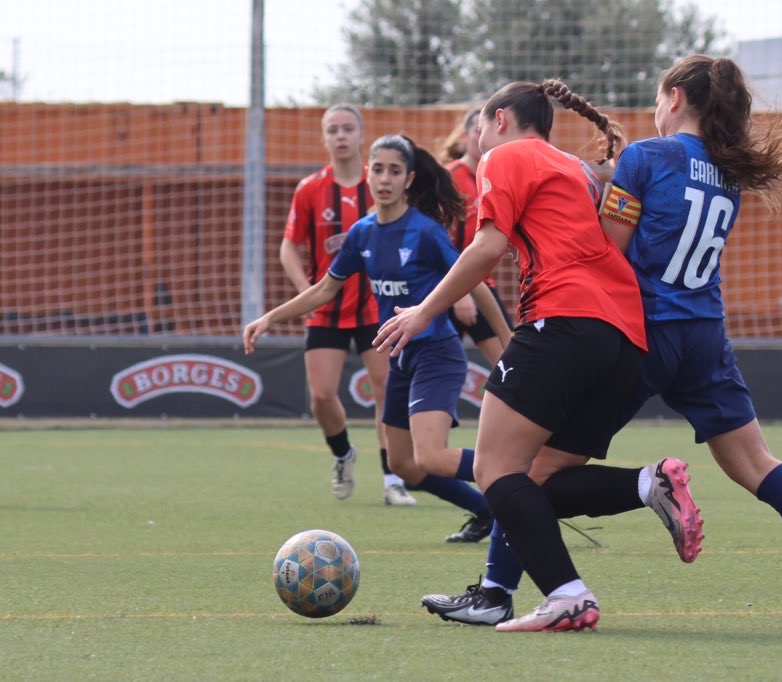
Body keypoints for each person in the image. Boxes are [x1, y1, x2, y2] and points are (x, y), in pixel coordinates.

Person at [420, 55, 782, 629]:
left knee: (526, 470)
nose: (654, 110)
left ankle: (505, 587)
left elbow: (607, 247)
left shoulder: (648, 156)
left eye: (656, 99)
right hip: (705, 334)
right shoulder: (726, 174)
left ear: (675, 98)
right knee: (756, 464)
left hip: (642, 332)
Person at [374, 79, 704, 632]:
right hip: (623, 339)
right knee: (539, 479)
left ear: (500, 119)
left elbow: (487, 248)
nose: (474, 138)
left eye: (477, 126)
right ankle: (650, 484)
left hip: (564, 321)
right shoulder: (573, 166)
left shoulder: (505, 156)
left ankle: (567, 594)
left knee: (493, 468)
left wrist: (422, 312)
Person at [251, 134, 511, 543]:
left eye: (394, 171)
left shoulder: (424, 232)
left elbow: (476, 280)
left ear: (409, 180)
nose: (384, 178)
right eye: (378, 169)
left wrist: (506, 336)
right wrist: (270, 316)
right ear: (368, 174)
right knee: (404, 466)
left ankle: (521, 479)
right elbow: (323, 290)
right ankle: (485, 510)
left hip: (437, 355)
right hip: (400, 360)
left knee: (432, 457)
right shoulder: (362, 233)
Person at [280, 104, 415, 507]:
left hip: (376, 308)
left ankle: (393, 476)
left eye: (347, 129)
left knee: (386, 391)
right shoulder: (310, 190)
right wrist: (304, 287)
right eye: (332, 130)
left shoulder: (381, 186)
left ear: (361, 136)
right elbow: (289, 245)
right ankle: (343, 453)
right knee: (321, 397)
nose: (340, 136)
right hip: (326, 309)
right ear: (324, 138)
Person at [439, 108, 513, 366]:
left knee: (509, 364)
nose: (481, 136)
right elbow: (435, 238)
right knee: (439, 370)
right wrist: (460, 294)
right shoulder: (448, 178)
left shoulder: (497, 176)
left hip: (481, 285)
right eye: (476, 130)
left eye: (487, 130)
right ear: (464, 135)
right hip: (445, 286)